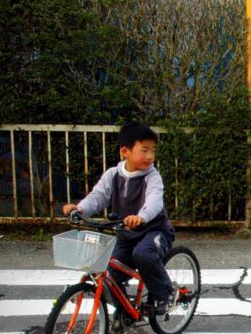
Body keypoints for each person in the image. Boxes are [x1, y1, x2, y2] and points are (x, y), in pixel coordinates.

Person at [62, 121, 177, 318]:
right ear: (125, 151)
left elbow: (154, 200)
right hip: (125, 233)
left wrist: (141, 217)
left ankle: (167, 294)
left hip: (154, 230)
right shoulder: (113, 175)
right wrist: (80, 209)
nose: (150, 156)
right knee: (107, 275)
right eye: (144, 150)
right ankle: (125, 312)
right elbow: (98, 197)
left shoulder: (152, 176)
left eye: (153, 150)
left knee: (144, 254)